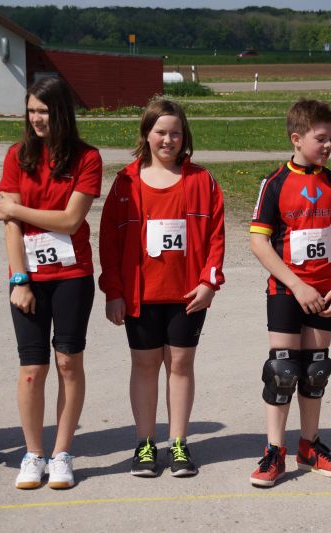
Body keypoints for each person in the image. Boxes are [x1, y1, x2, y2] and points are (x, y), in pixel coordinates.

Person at [99, 97, 225, 478]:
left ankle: (179, 443)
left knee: (181, 365)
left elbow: (216, 234)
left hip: (187, 296)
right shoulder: (125, 183)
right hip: (140, 296)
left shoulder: (201, 181)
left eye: (175, 133)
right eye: (160, 132)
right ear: (146, 134)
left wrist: (209, 282)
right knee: (145, 365)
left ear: (184, 136)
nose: (168, 140)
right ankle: (145, 443)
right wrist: (113, 291)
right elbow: (108, 242)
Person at [0, 76, 102, 490]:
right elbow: (10, 227)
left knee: (68, 363)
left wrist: (18, 210)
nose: (37, 118)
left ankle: (61, 454)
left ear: (61, 112)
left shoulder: (87, 158)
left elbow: (71, 220)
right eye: (31, 111)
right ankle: (33, 454)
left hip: (72, 277)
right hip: (29, 278)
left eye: (44, 110)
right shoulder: (17, 156)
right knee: (32, 368)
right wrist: (19, 279)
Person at [248, 99, 331, 488]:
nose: (329, 145)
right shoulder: (275, 183)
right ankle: (274, 451)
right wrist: (297, 284)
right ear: (296, 138)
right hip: (287, 290)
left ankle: (309, 446)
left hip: (325, 292)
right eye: (320, 138)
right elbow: (259, 243)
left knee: (315, 370)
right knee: (282, 371)